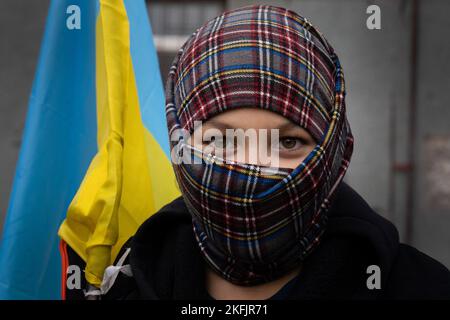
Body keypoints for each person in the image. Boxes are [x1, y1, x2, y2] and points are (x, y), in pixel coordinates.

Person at [64, 5, 450, 300]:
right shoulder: (125, 282)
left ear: (332, 147)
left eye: (287, 142)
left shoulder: (422, 288)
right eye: (220, 141)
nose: (252, 166)